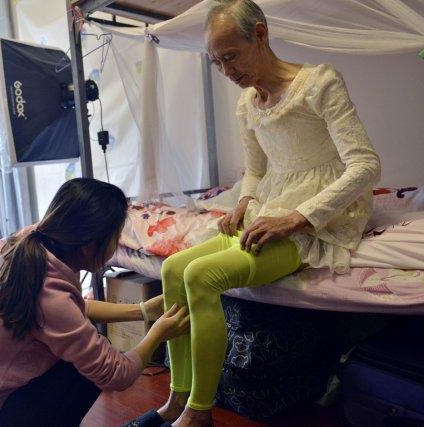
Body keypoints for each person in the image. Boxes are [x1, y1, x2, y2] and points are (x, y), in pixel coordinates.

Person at [128, 1, 381, 426]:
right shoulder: (247, 103)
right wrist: (245, 201)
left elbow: (365, 165)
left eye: (231, 56)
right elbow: (257, 170)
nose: (226, 70)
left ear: (260, 35)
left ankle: (199, 413)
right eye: (216, 61)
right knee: (173, 269)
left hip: (321, 215)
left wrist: (298, 217)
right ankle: (178, 397)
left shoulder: (319, 82)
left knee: (200, 276)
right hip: (270, 205)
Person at [0, 178, 189, 427]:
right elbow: (115, 374)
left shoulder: (32, 246)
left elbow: (71, 312)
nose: (116, 245)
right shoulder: (47, 291)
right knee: (85, 370)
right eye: (115, 238)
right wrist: (158, 334)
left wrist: (142, 311)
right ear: (89, 246)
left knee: (82, 358)